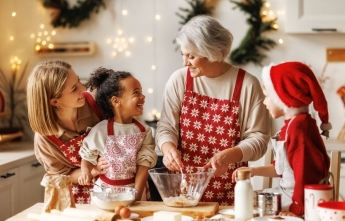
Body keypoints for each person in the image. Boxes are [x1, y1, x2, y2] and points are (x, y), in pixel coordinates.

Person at [155, 15, 271, 205]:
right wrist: (168, 149)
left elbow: (259, 139)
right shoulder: (180, 80)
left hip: (230, 193)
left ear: (211, 52)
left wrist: (230, 155)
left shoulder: (247, 84)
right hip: (182, 192)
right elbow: (166, 126)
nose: (185, 62)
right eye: (183, 54)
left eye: (191, 56)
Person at [232, 61, 331, 217]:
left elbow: (305, 173)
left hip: (301, 201)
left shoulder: (300, 128)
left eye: (266, 96)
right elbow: (284, 170)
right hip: (290, 195)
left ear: (283, 97)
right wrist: (254, 171)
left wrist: (297, 209)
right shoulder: (291, 125)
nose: (264, 102)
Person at [27, 60, 110, 204]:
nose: (83, 88)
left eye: (78, 81)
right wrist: (93, 169)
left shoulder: (97, 102)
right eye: (73, 88)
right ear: (54, 102)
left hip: (116, 188)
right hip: (78, 198)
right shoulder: (45, 138)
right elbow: (62, 176)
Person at [78, 67, 157, 201]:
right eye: (136, 92)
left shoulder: (144, 131)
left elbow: (143, 166)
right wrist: (86, 172)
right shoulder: (100, 130)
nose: (142, 96)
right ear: (116, 101)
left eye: (141, 92)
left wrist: (136, 197)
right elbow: (87, 156)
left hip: (135, 190)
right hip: (104, 193)